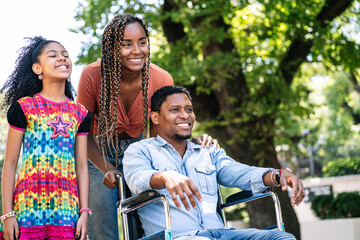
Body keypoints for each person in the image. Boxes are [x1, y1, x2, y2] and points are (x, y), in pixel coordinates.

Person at [76, 13, 216, 240]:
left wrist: (190, 142)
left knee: (147, 223)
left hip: (141, 151)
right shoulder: (92, 76)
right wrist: (106, 167)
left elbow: (160, 133)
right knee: (103, 229)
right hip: (98, 152)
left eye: (142, 42)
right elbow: (81, 134)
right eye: (126, 44)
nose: (137, 50)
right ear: (112, 48)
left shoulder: (161, 78)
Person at [123, 86, 305, 240]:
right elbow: (136, 178)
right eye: (174, 110)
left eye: (188, 109)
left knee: (282, 238)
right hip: (179, 236)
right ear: (155, 117)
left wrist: (279, 174)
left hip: (222, 234)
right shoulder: (140, 150)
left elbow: (239, 173)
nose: (185, 115)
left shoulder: (207, 151)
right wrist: (165, 176)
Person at [0, 36, 91, 240]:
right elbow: (11, 163)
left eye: (65, 55)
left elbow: (82, 167)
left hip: (67, 211)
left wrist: (84, 212)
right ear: (37, 69)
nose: (62, 58)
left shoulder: (80, 113)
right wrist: (7, 215)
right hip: (27, 209)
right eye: (53, 55)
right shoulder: (24, 107)